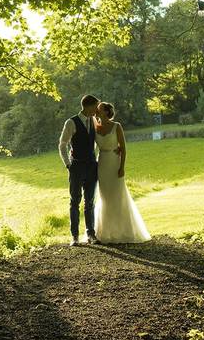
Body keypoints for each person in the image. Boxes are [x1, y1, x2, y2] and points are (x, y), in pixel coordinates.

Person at [93, 101, 150, 243]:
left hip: (114, 162)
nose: (97, 111)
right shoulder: (94, 127)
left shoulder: (116, 126)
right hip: (102, 163)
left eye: (99, 109)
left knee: (118, 195)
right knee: (104, 196)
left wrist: (122, 167)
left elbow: (123, 148)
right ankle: (105, 232)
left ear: (106, 112)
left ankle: (124, 231)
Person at [58, 94, 100, 245]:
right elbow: (62, 144)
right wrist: (68, 164)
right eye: (95, 106)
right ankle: (74, 236)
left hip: (91, 166)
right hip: (76, 166)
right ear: (88, 106)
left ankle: (91, 234)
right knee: (75, 201)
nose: (97, 109)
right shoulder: (71, 122)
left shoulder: (94, 121)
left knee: (90, 202)